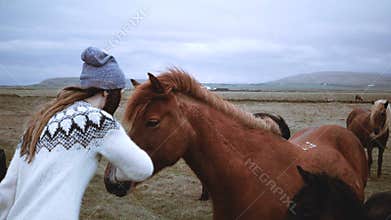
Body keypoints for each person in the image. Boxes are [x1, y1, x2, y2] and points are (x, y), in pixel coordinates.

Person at [0, 47, 154, 219]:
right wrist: (118, 173)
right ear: (106, 92)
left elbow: (6, 191)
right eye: (120, 92)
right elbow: (142, 168)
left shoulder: (39, 122)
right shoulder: (98, 121)